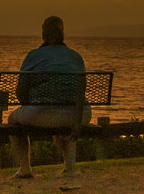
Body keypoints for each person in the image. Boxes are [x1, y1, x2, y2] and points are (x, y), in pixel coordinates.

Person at [7, 15, 89, 178]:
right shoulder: (75, 56)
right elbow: (81, 92)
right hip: (78, 114)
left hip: (42, 113)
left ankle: (24, 169)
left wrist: (28, 106)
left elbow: (21, 90)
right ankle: (70, 167)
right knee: (64, 123)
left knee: (12, 119)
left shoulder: (33, 56)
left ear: (43, 33)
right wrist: (77, 122)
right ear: (62, 33)